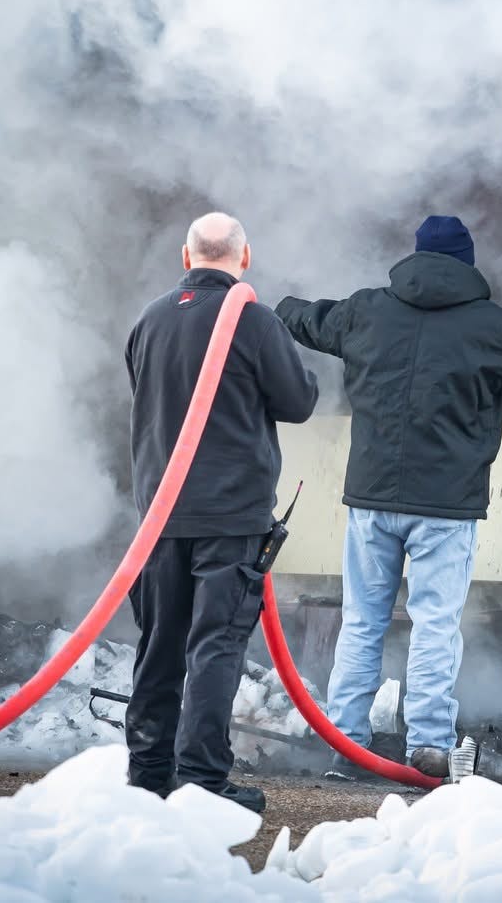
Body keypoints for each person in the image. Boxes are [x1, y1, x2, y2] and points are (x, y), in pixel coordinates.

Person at [276, 215, 502, 777]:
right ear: (466, 265)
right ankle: (428, 745)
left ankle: (345, 744)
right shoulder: (493, 326)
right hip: (446, 509)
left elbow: (308, 320)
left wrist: (274, 303)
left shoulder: (366, 311)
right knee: (434, 625)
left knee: (362, 622)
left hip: (371, 501)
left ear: (414, 258)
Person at [122, 211, 319, 813]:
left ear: (186, 257)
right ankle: (202, 780)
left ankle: (147, 775)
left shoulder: (149, 320)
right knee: (215, 646)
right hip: (231, 518)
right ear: (245, 257)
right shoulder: (254, 322)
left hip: (160, 517)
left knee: (159, 645)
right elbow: (297, 403)